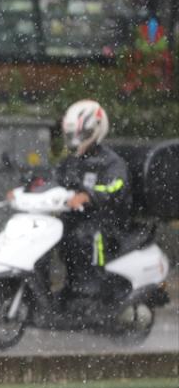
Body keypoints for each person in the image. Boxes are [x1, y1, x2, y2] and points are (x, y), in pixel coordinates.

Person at [42, 100, 131, 305]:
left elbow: (115, 186)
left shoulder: (111, 162)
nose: (75, 140)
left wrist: (89, 195)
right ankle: (66, 288)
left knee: (86, 237)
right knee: (49, 234)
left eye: (80, 134)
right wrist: (29, 187)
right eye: (72, 135)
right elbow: (54, 179)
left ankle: (95, 292)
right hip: (75, 218)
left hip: (106, 222)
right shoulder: (72, 161)